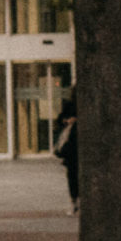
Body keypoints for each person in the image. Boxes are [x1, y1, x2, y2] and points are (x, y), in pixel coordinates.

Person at [54, 87, 79, 215]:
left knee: (73, 176)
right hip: (73, 146)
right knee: (73, 175)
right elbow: (59, 119)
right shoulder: (70, 105)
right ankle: (74, 201)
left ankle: (75, 201)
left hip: (74, 147)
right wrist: (67, 121)